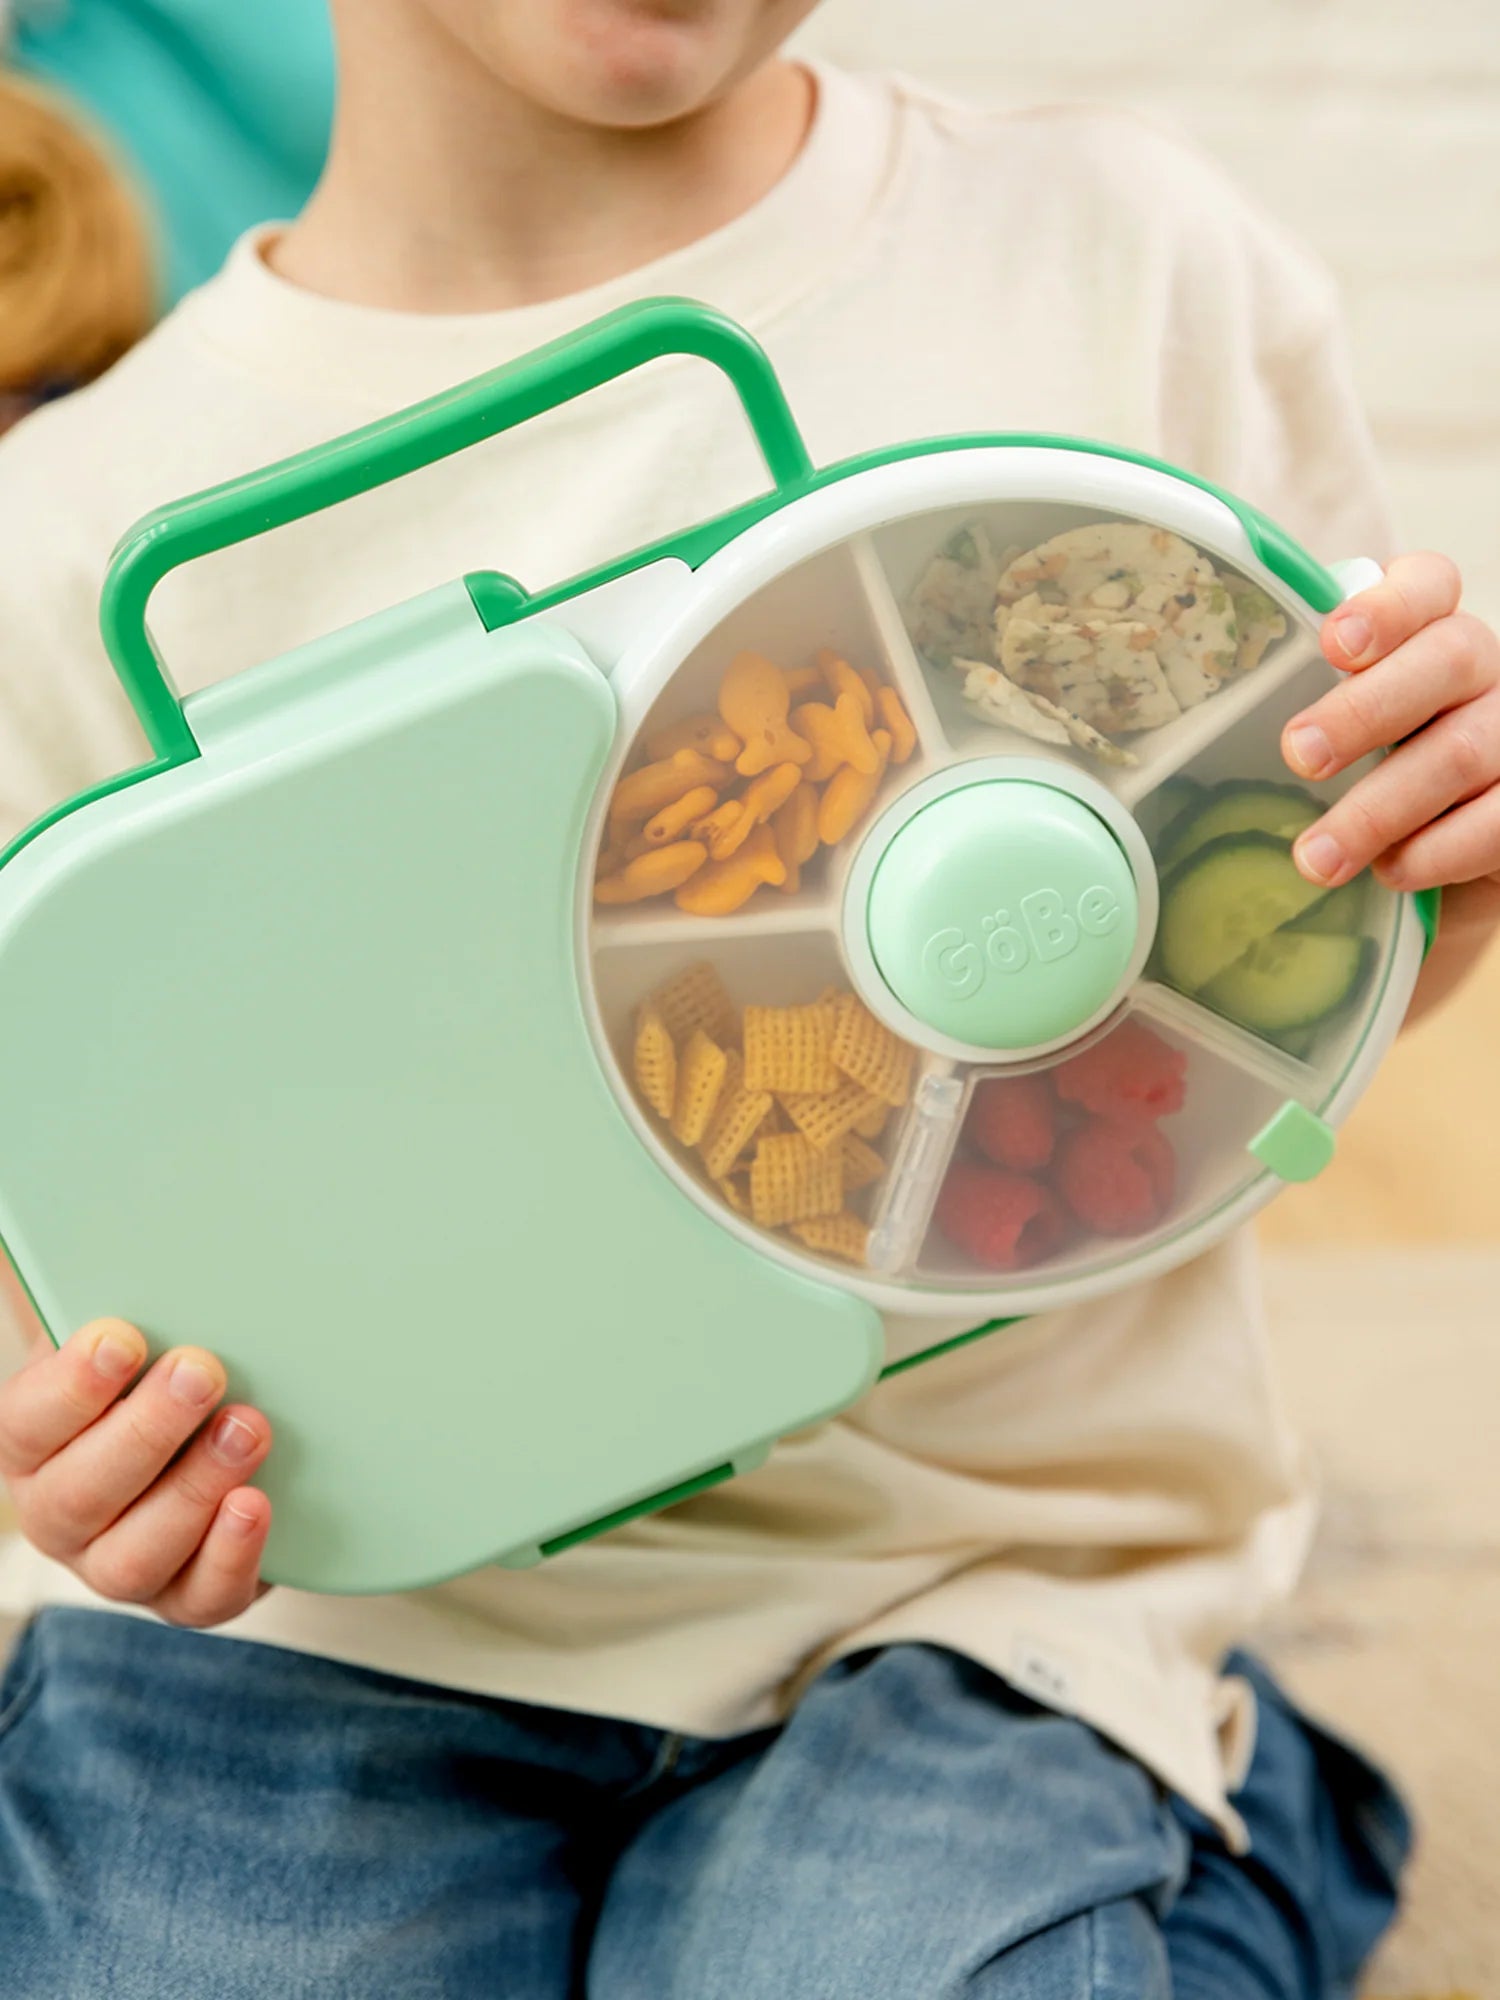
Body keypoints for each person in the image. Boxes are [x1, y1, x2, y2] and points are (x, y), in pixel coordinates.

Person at [0, 4, 1495, 1993]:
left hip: (972, 1592)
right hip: (344, 1618)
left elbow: (1269, 997)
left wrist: (1438, 856)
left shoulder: (1120, 264)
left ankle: (1232, 1807)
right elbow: (62, 1245)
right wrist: (83, 1458)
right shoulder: (77, 537)